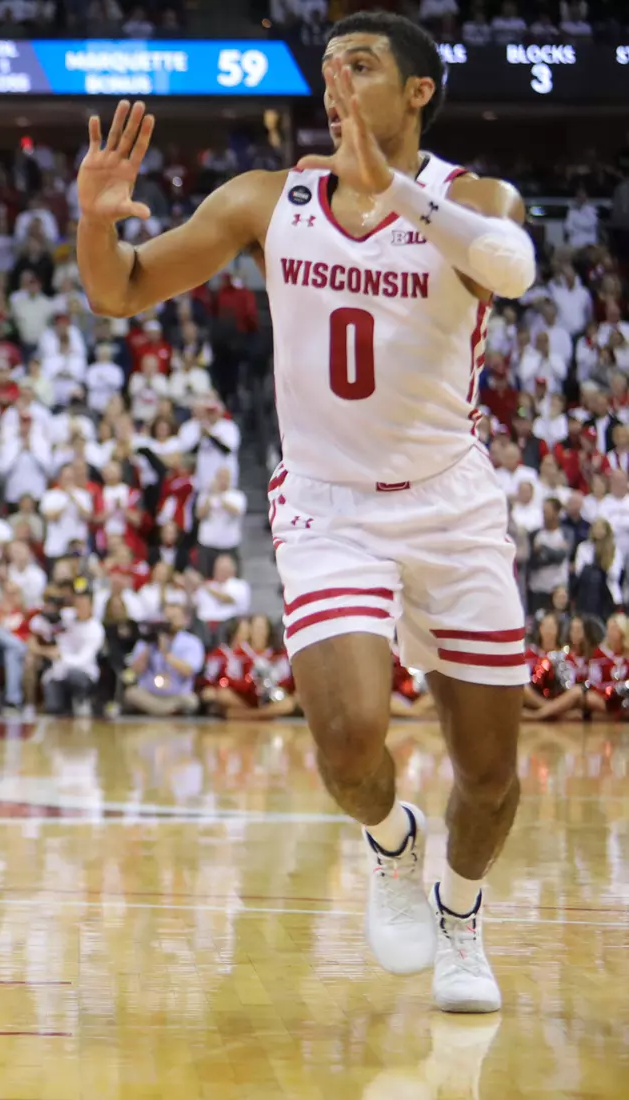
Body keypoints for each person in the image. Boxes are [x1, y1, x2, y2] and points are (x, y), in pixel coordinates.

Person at [74, 13, 528, 1011]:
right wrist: (97, 220)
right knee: (348, 738)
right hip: (329, 506)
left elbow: (512, 266)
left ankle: (462, 910)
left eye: (360, 66)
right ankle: (395, 845)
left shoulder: (472, 199)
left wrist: (395, 191)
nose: (336, 84)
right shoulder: (267, 200)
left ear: (417, 92)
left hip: (452, 506)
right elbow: (118, 290)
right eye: (327, 70)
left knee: (492, 776)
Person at [125, 604, 204, 716]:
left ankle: (161, 711)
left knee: (191, 701)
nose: (169, 623)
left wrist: (166, 654)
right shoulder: (146, 641)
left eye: (174, 618)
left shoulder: (191, 642)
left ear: (183, 620)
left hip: (178, 695)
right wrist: (149, 647)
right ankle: (167, 711)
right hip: (150, 694)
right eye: (167, 618)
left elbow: (189, 671)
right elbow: (135, 671)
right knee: (131, 693)